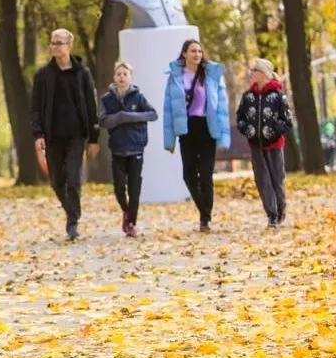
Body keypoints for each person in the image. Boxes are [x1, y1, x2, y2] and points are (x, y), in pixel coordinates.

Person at [30, 29, 100, 241]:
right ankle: (71, 212)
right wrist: (38, 134)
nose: (55, 46)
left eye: (60, 43)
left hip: (76, 135)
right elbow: (35, 109)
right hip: (52, 136)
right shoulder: (43, 76)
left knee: (72, 177)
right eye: (53, 43)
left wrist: (94, 138)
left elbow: (91, 106)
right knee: (56, 182)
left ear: (69, 46)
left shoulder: (83, 74)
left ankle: (73, 220)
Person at [163, 39, 230, 232]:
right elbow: (168, 109)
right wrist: (169, 140)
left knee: (206, 174)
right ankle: (204, 209)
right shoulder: (175, 76)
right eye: (193, 51)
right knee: (189, 175)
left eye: (200, 51)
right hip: (187, 128)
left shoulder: (212, 74)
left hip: (207, 127)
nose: (197, 55)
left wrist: (223, 136)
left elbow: (222, 108)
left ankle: (205, 218)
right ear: (184, 54)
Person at [99, 61, 158, 238]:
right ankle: (126, 211)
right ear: (114, 77)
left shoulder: (139, 97)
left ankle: (132, 223)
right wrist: (118, 117)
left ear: (130, 77)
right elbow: (102, 121)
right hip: (117, 149)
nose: (122, 77)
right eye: (119, 74)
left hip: (136, 148)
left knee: (134, 189)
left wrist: (130, 116)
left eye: (125, 74)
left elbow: (153, 114)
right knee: (118, 188)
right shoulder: (106, 99)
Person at [235, 59, 294, 228]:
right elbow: (240, 118)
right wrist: (248, 130)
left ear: (263, 73)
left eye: (254, 69)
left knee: (277, 179)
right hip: (256, 146)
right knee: (262, 181)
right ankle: (272, 215)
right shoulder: (248, 97)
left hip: (274, 145)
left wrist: (273, 130)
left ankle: (281, 207)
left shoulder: (278, 96)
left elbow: (287, 121)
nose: (251, 72)